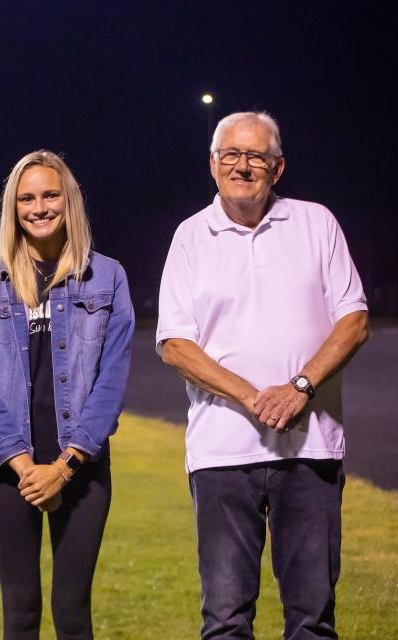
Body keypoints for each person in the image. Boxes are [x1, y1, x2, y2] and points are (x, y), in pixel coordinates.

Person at [157, 111, 369, 639]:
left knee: (312, 619)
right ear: (213, 163)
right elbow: (176, 345)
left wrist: (299, 387)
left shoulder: (316, 222)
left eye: (257, 156)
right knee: (226, 621)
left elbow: (355, 318)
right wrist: (255, 397)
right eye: (232, 154)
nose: (243, 166)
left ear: (278, 168)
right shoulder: (190, 236)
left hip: (310, 449)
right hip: (223, 455)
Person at [0, 150, 134, 639]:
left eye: (50, 195)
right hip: (5, 472)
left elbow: (110, 383)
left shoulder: (108, 277)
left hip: (81, 468)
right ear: (13, 209)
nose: (39, 207)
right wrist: (26, 468)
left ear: (69, 201)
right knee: (20, 610)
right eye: (27, 198)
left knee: (72, 612)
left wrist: (63, 469)